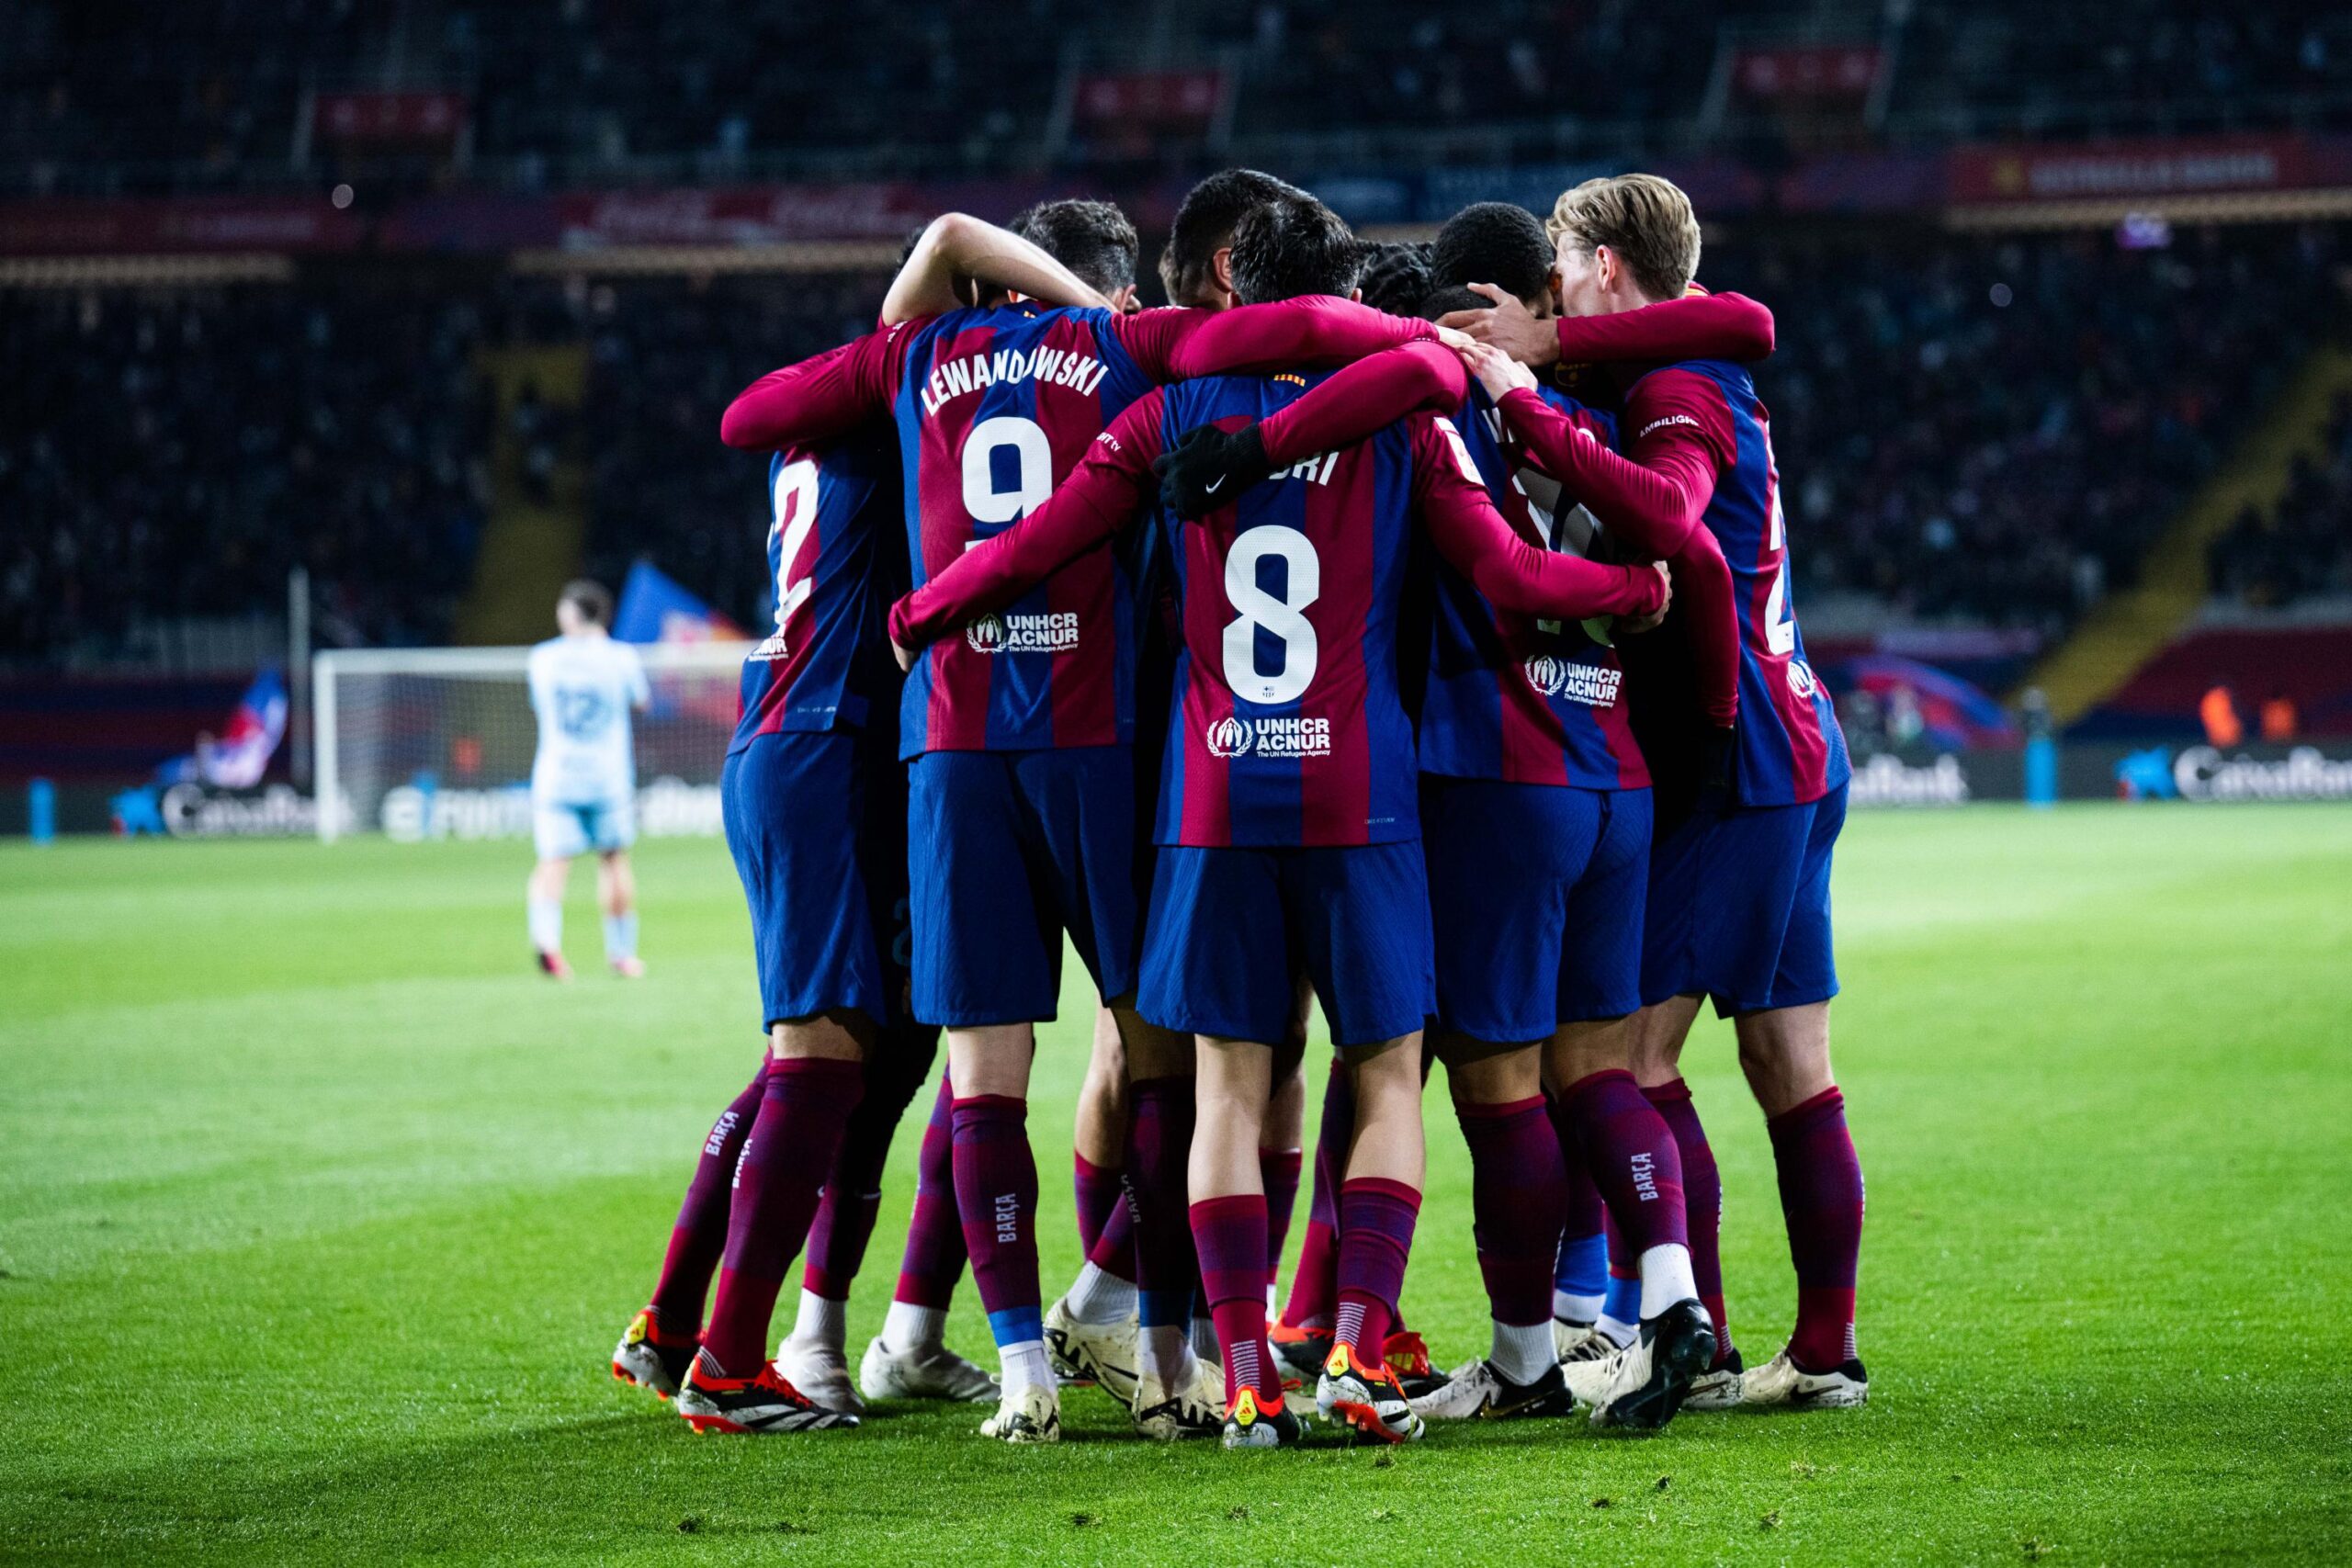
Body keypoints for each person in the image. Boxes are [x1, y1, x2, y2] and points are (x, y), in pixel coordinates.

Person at [888, 191, 1670, 1450]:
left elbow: (1039, 541)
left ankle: (1245, 1377)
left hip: (1210, 797)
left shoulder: (1163, 412)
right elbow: (1501, 570)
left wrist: (928, 608)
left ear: (1229, 289)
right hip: (1360, 794)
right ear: (1340, 295)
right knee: (1386, 1071)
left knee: (1227, 1088)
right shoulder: (1403, 415)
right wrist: (1635, 587)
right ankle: (1353, 1354)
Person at [720, 197, 1455, 1444]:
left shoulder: (916, 357)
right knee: (1199, 1061)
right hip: (1125, 743)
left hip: (964, 744)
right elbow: (1403, 362)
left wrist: (926, 610)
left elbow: (757, 416)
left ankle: (1020, 1370)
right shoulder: (1138, 351)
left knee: (982, 1080)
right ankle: (1182, 1354)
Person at [1461, 174, 1865, 1410]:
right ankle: (1822, 1351)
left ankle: (1694, 1337)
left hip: (1743, 767)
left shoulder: (1675, 386)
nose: (1549, 285)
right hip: (1800, 740)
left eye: (1562, 261)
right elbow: (1742, 318)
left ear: (1604, 267)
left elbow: (1673, 512)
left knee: (1629, 1063)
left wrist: (1522, 391)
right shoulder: (1692, 356)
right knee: (1788, 1060)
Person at [525, 581, 649, 981]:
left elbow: (539, 705)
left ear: (571, 614)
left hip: (556, 774)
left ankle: (548, 945)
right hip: (607, 775)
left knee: (552, 863)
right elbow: (641, 701)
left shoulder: (543, 658)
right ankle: (622, 954)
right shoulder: (621, 658)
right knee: (613, 860)